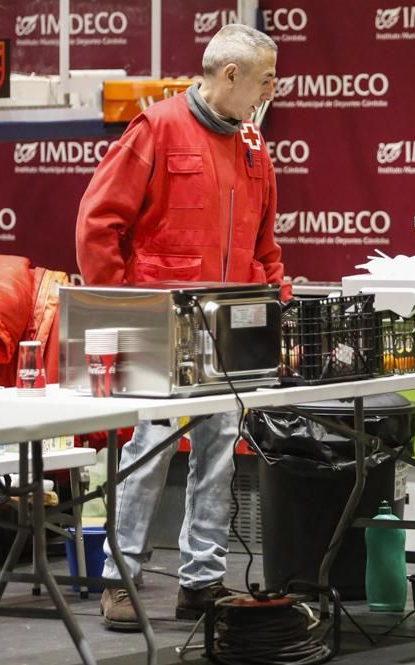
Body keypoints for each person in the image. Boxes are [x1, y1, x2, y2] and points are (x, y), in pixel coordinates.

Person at [74, 23, 286, 631]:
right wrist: (119, 310)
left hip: (229, 328)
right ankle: (122, 576)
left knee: (219, 452)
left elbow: (265, 239)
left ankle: (201, 580)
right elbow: (99, 222)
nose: (271, 90)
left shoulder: (253, 144)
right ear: (230, 76)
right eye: (265, 79)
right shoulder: (157, 128)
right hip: (159, 323)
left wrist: (275, 293)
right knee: (148, 450)